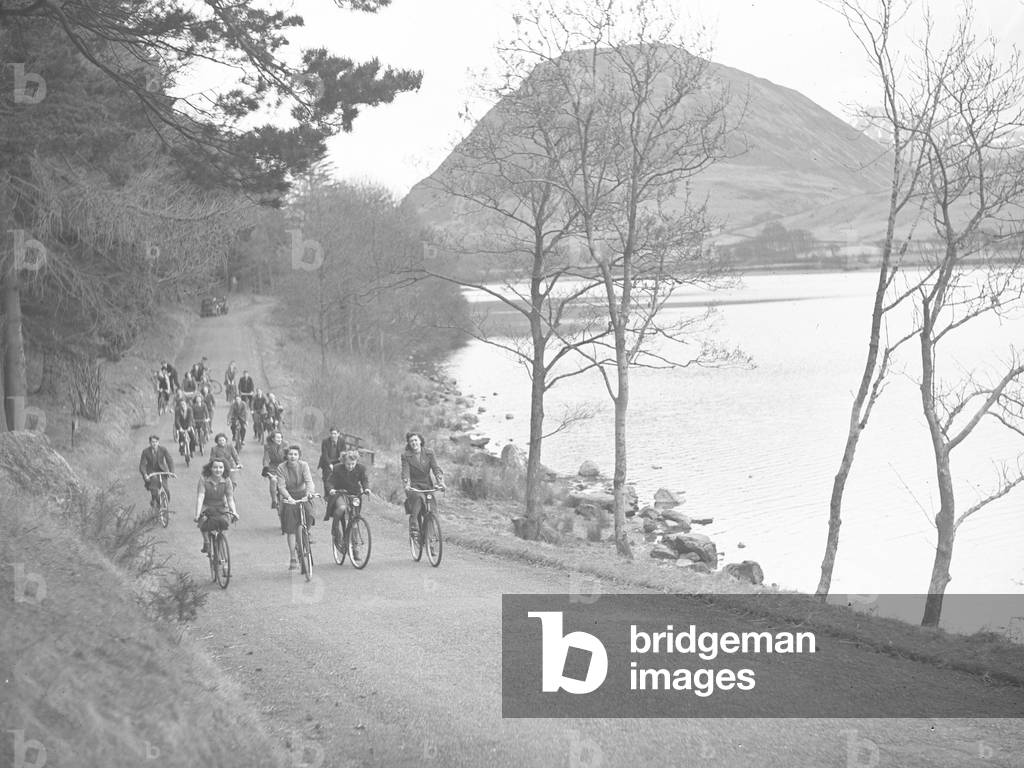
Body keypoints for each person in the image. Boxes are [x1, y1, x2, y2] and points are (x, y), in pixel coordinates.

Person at [275, 445, 316, 570]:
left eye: (295, 454)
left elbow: (309, 481)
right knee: (290, 528)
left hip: (303, 494)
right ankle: (293, 557)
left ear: (299, 456)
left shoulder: (304, 465)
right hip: (289, 496)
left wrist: (309, 493)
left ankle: (306, 531)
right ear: (286, 456)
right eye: (290, 454)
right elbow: (281, 486)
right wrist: (289, 498)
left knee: (310, 514)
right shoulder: (281, 468)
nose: (293, 456)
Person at [401, 431, 445, 537]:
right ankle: (414, 522)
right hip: (414, 486)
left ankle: (429, 539)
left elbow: (436, 468)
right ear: (409, 443)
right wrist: (406, 484)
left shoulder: (429, 453)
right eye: (411, 441)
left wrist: (440, 481)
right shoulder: (406, 456)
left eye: (416, 440)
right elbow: (405, 471)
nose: (414, 443)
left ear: (420, 441)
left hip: (427, 485)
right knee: (419, 499)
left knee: (432, 510)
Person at [194, 458, 239, 554]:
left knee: (224, 523)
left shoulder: (227, 481)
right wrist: (197, 514)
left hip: (221, 507)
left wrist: (234, 512)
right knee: (203, 520)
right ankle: (206, 541)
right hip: (207, 506)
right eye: (215, 467)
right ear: (210, 468)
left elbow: (230, 498)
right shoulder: (204, 479)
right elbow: (200, 497)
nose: (218, 470)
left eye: (220, 467)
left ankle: (222, 546)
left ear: (224, 469)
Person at [324, 450, 369, 536]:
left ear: (356, 462)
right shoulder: (337, 468)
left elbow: (364, 480)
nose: (351, 466)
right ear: (344, 462)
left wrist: (366, 489)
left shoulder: (361, 468)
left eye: (353, 464)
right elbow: (330, 481)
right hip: (340, 493)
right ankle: (335, 528)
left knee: (355, 518)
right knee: (342, 507)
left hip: (355, 494)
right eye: (348, 464)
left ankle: (354, 544)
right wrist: (331, 489)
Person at [139, 435, 175, 504]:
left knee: (166, 489)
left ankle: (166, 504)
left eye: (156, 442)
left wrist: (172, 472)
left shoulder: (163, 449)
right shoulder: (145, 451)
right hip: (151, 472)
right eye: (152, 442)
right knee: (154, 487)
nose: (154, 443)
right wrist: (145, 474)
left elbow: (169, 460)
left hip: (162, 471)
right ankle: (154, 499)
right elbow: (142, 465)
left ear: (158, 442)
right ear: (150, 443)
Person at [262, 430, 288, 510]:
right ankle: (274, 501)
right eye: (277, 438)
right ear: (273, 439)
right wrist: (266, 467)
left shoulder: (285, 444)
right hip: (273, 467)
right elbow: (266, 458)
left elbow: (289, 455)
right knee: (273, 480)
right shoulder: (267, 446)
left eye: (280, 438)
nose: (279, 439)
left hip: (284, 466)